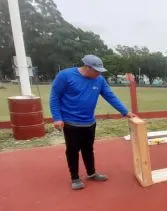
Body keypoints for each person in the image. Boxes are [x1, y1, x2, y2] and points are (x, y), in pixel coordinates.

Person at [49, 54, 136, 190]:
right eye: (96, 71)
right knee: (72, 150)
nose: (99, 74)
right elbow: (55, 96)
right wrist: (57, 118)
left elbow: (110, 96)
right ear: (87, 67)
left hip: (89, 122)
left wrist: (126, 112)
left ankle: (91, 173)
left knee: (88, 149)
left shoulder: (99, 80)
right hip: (71, 122)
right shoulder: (65, 76)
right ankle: (75, 178)